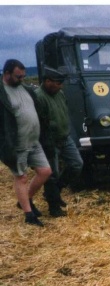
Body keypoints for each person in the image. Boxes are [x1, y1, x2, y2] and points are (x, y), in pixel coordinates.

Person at [0, 59, 51, 226]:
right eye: (18, 76)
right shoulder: (2, 93)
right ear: (6, 74)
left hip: (34, 141)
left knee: (45, 171)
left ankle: (25, 200)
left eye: (23, 76)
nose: (21, 79)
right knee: (21, 177)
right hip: (17, 144)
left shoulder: (27, 89)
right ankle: (29, 215)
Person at [35, 66, 83, 217]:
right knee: (52, 174)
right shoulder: (39, 97)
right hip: (50, 141)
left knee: (76, 164)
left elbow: (64, 112)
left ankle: (56, 191)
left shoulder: (59, 93)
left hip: (65, 137)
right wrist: (46, 142)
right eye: (58, 83)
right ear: (48, 81)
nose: (61, 86)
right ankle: (54, 207)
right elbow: (40, 123)